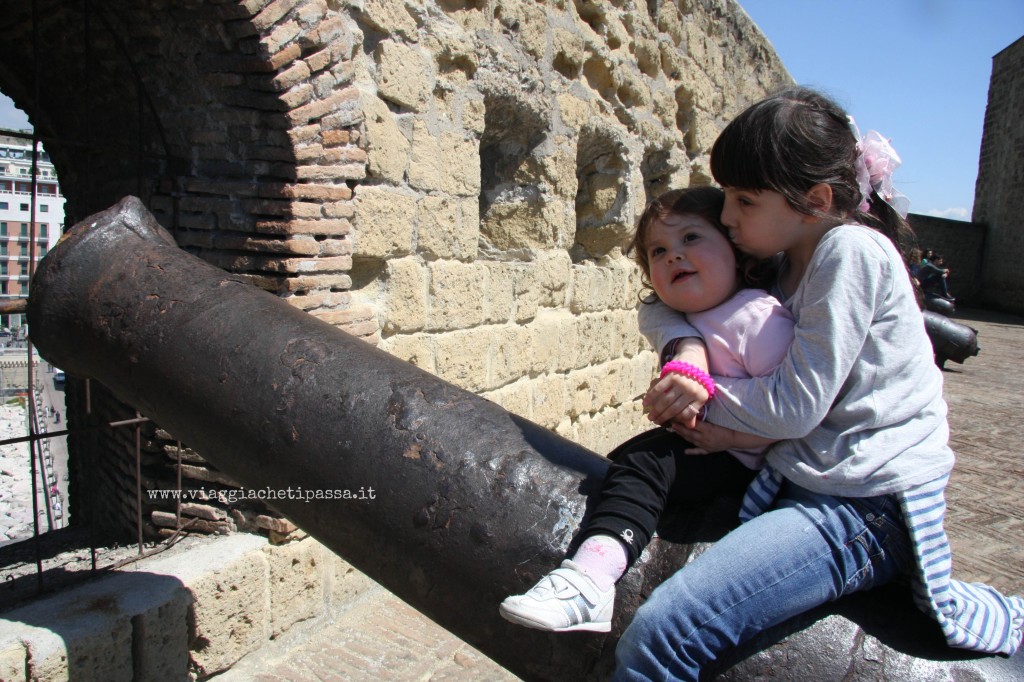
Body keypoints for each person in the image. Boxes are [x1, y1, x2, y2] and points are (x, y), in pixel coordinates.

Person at [625, 87, 1023, 679]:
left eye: (743, 201)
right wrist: (686, 351)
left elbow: (794, 406)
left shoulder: (848, 252)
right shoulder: (781, 255)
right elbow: (667, 302)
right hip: (807, 476)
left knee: (663, 634)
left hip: (863, 502)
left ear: (813, 199)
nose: (727, 218)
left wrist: (701, 395)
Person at [498, 186, 795, 633]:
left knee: (643, 466)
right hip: (704, 445)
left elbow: (792, 412)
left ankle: (591, 584)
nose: (674, 255)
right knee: (624, 463)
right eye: (659, 251)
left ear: (738, 253)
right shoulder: (688, 315)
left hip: (738, 458)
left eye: (692, 239)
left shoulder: (758, 320)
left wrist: (734, 438)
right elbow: (651, 312)